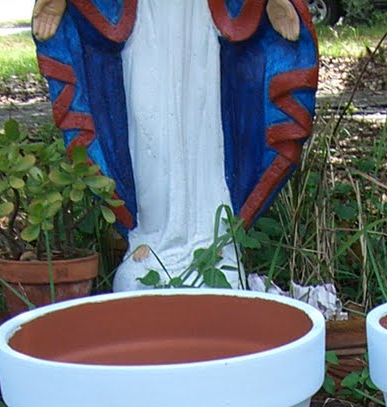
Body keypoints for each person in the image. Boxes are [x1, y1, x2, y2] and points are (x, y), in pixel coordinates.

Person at [31, 0, 320, 291]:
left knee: (201, 122)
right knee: (148, 126)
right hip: (144, 23)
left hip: (201, 22)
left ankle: (211, 240)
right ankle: (152, 236)